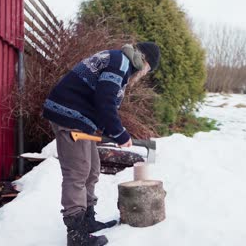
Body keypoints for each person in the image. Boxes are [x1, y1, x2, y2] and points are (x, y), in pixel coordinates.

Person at [42, 42, 160, 246]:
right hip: (69, 116)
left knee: (92, 169)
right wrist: (120, 134)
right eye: (148, 70)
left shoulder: (121, 64)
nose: (144, 75)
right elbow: (105, 103)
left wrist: (114, 132)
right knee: (78, 173)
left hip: (82, 120)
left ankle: (87, 221)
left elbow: (102, 105)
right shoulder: (120, 63)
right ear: (144, 61)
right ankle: (76, 235)